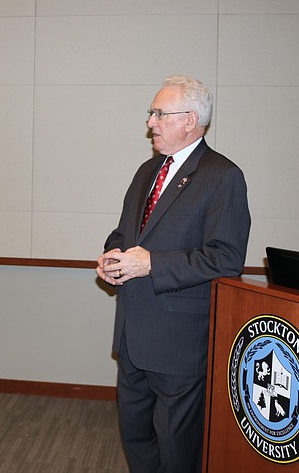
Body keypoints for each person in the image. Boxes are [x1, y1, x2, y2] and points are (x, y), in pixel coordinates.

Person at [97, 75, 251, 473]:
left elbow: (226, 258)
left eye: (159, 113)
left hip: (180, 345)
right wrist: (110, 258)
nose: (150, 122)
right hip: (132, 335)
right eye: (152, 113)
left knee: (177, 450)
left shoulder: (222, 176)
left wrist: (151, 264)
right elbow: (124, 233)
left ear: (190, 120)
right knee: (136, 439)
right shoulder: (148, 170)